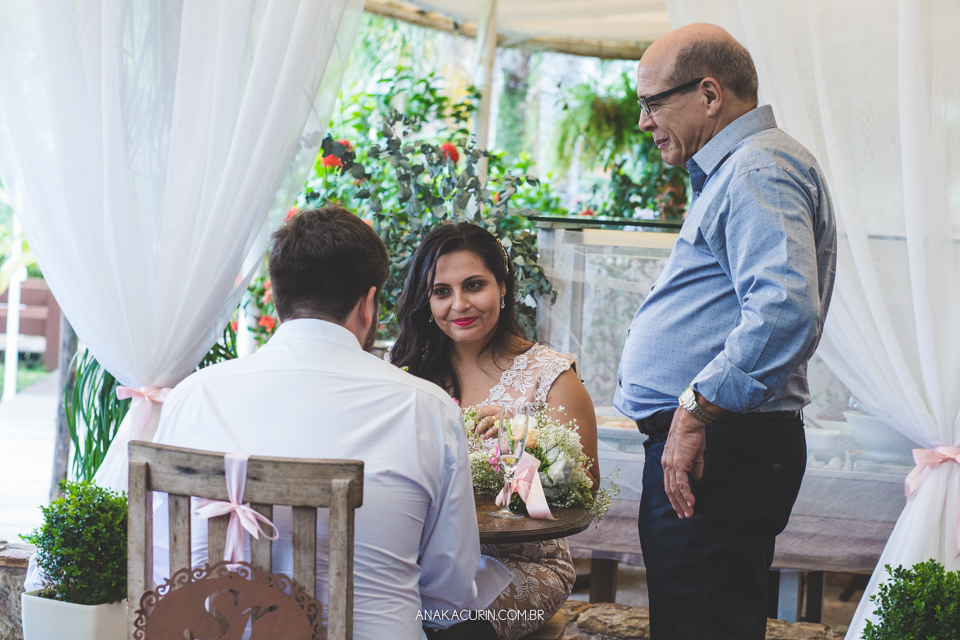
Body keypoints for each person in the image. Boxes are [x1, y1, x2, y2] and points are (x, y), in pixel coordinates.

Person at [150, 206, 511, 640]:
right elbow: (448, 597)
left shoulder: (193, 395)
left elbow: (162, 566)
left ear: (276, 293)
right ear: (368, 304)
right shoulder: (425, 410)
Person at [613, 24, 837, 640]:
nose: (644, 121)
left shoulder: (755, 168)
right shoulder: (745, 166)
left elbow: (785, 308)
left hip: (720, 446)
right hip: (722, 445)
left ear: (709, 94)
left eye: (653, 102)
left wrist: (694, 409)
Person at [389, 222, 600, 640]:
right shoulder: (407, 374)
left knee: (447, 631)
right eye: (441, 291)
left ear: (503, 287)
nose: (460, 304)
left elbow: (586, 491)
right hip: (419, 558)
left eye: (474, 285)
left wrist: (525, 438)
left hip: (523, 563)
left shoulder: (551, 375)